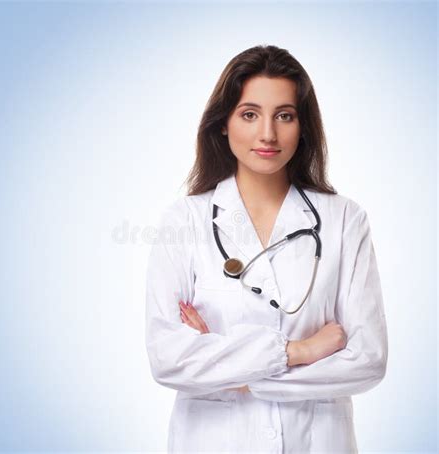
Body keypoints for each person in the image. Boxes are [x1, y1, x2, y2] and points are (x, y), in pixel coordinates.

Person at [145, 44, 388, 453]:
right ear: (224, 123)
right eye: (250, 114)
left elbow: (367, 361)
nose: (268, 134)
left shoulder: (345, 221)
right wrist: (303, 351)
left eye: (285, 116)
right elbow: (168, 358)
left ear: (303, 125)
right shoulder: (184, 221)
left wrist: (233, 372)